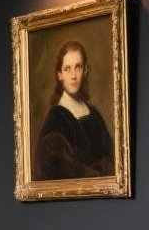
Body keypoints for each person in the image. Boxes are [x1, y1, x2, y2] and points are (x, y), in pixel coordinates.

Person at [33, 40, 114, 181]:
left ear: (85, 70)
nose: (73, 76)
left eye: (78, 67)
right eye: (67, 69)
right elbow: (57, 170)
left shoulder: (94, 114)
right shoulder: (56, 119)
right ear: (59, 75)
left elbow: (111, 159)